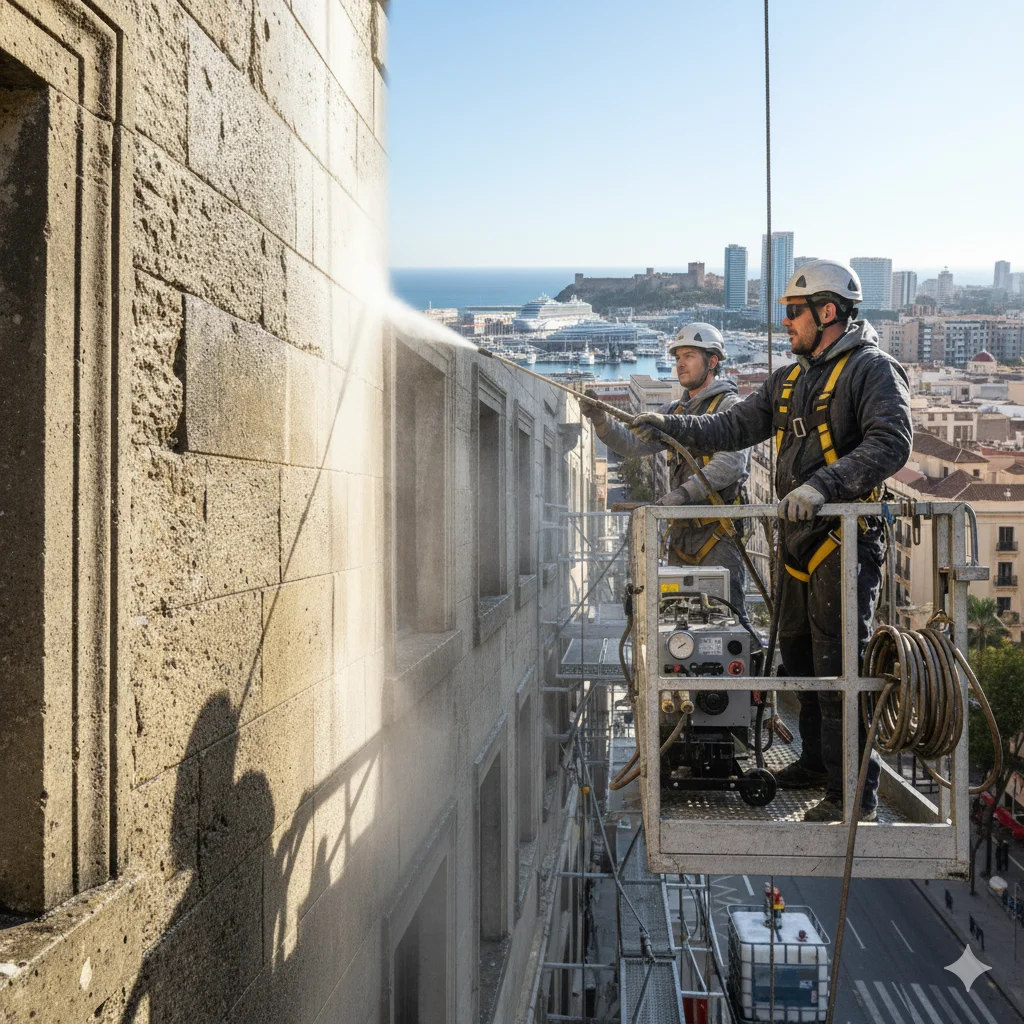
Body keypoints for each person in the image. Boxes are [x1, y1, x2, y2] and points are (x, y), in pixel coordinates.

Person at [631, 261, 912, 822]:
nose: (786, 324)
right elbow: (730, 429)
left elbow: (892, 443)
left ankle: (851, 793)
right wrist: (669, 426)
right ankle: (815, 764)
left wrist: (822, 486)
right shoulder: (792, 380)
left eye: (793, 313)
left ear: (827, 312)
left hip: (844, 538)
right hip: (800, 539)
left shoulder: (871, 371)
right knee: (800, 659)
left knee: (840, 666)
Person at [582, 323, 751, 620]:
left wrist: (682, 495)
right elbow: (633, 444)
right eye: (677, 357)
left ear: (712, 362)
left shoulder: (731, 408)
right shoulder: (675, 413)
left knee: (726, 619)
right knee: (677, 618)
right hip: (683, 536)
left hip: (718, 535)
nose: (680, 364)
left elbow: (730, 463)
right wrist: (601, 421)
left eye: (689, 356)